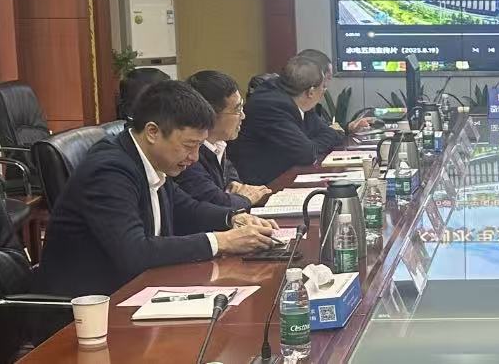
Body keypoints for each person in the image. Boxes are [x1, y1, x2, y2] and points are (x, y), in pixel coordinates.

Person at [35, 81, 279, 297]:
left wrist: (233, 219)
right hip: (88, 310)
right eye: (189, 146)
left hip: (137, 291)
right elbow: (134, 252)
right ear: (152, 132)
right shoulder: (109, 170)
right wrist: (221, 241)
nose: (194, 157)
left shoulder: (149, 160)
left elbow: (186, 208)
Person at [229, 56, 360, 184]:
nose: (324, 91)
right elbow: (306, 154)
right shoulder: (270, 106)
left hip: (285, 173)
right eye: (323, 87)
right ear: (311, 92)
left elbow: (329, 133)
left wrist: (315, 142)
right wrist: (315, 142)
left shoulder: (297, 98)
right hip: (260, 184)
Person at [175, 70, 272, 209]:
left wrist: (234, 188)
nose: (243, 116)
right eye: (237, 109)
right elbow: (219, 203)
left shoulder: (218, 145)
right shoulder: (188, 157)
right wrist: (248, 198)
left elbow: (233, 182)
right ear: (210, 115)